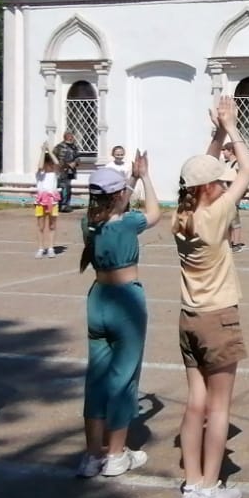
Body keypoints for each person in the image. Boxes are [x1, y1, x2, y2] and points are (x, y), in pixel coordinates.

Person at [172, 96, 249, 498]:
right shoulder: (215, 214)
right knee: (219, 407)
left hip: (188, 317)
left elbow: (199, 173)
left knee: (195, 403)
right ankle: (208, 486)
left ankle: (191, 483)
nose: (225, 185)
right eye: (218, 182)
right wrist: (234, 128)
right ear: (210, 188)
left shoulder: (182, 217)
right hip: (218, 316)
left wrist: (217, 132)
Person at [77, 154, 162, 478]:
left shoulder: (89, 223)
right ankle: (115, 454)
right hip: (126, 300)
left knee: (96, 379)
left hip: (97, 299)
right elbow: (154, 213)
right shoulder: (128, 222)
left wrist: (131, 180)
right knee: (125, 378)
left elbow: (113, 198)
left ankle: (91, 455)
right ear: (119, 195)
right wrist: (145, 177)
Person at [34, 146, 61, 259]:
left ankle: (51, 248)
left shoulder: (55, 174)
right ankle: (41, 248)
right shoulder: (39, 174)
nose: (48, 166)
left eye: (50, 163)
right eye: (46, 163)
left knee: (52, 225)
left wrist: (49, 152)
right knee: (41, 226)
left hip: (52, 201)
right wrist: (42, 151)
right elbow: (40, 166)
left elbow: (57, 163)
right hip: (41, 201)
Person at [55, 132, 81, 212]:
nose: (71, 138)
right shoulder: (59, 147)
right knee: (63, 187)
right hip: (61, 171)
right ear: (65, 137)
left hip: (70, 171)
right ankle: (62, 205)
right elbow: (55, 159)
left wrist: (75, 163)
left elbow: (78, 157)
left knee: (68, 187)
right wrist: (67, 164)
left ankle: (66, 204)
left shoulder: (74, 147)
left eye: (72, 137)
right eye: (69, 137)